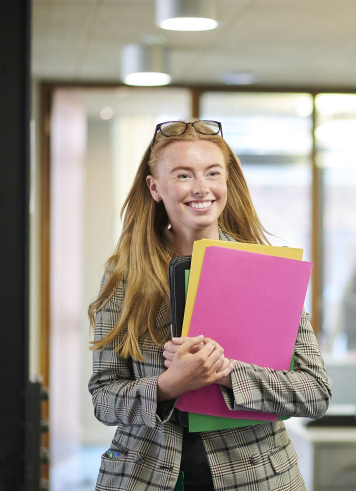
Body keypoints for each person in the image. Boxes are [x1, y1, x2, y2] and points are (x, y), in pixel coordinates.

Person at [87, 119, 331, 491]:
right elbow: (104, 399)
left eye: (212, 173)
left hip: (257, 477)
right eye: (183, 175)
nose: (201, 188)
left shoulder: (268, 270)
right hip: (144, 477)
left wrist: (226, 372)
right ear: (155, 188)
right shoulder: (124, 276)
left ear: (227, 181)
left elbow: (314, 392)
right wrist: (168, 385)